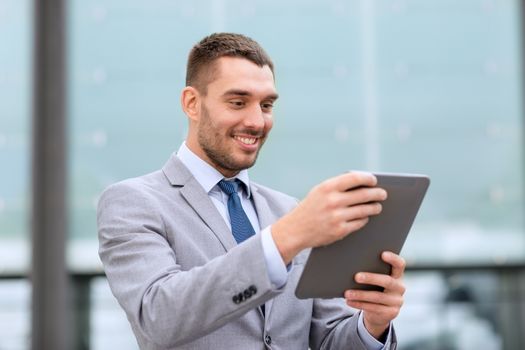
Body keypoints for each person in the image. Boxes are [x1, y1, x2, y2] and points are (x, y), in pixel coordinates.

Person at [97, 32, 406, 350]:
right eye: (238, 102)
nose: (257, 121)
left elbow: (329, 339)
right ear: (192, 103)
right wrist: (284, 239)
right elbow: (158, 317)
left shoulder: (289, 210)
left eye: (267, 105)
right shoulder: (133, 202)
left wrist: (373, 324)